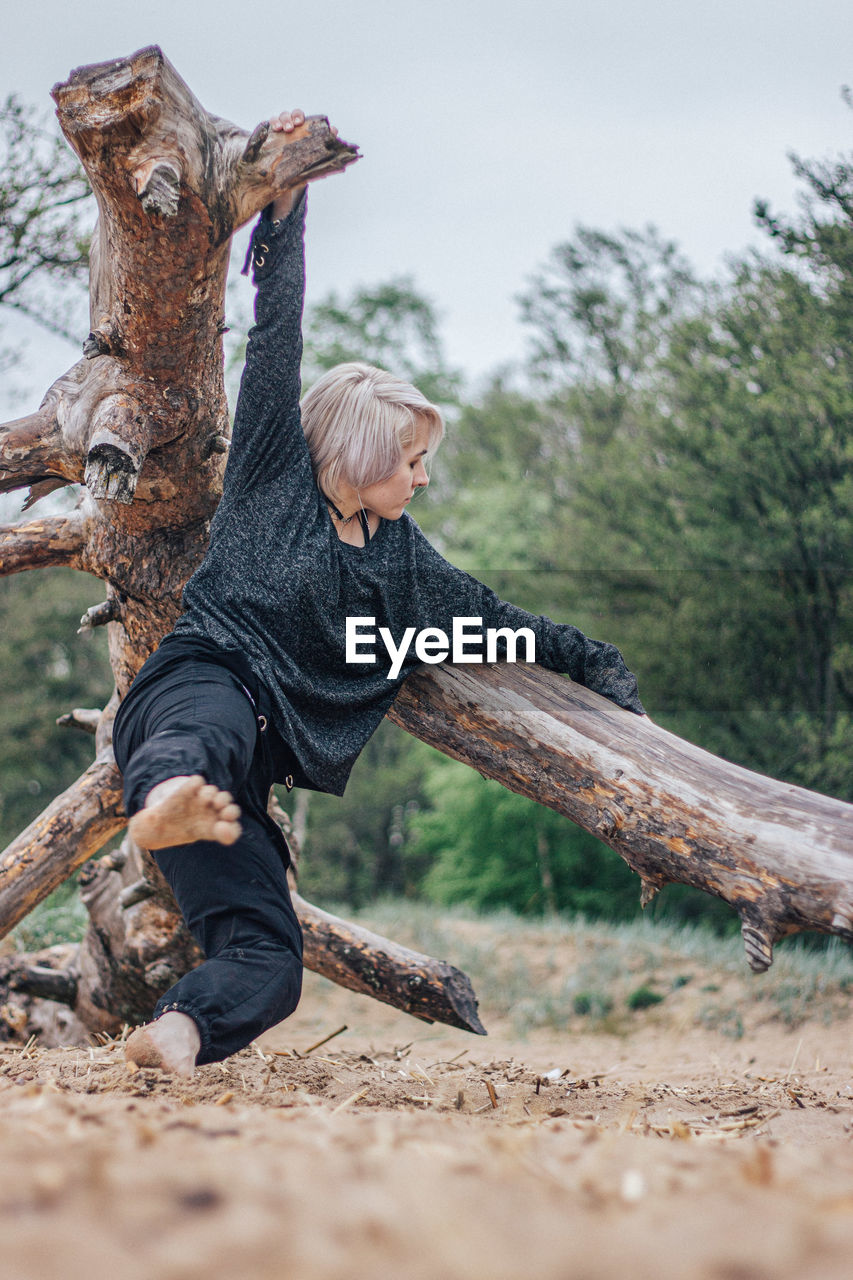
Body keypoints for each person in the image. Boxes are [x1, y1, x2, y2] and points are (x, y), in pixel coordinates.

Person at [114, 109, 645, 1078]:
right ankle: (159, 798)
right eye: (413, 458)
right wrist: (285, 201)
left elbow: (502, 624)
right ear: (358, 449)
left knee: (267, 963)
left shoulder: (404, 563)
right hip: (197, 696)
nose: (422, 476)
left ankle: (173, 1038)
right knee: (209, 723)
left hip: (235, 794)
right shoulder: (274, 475)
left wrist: (600, 665)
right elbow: (277, 337)